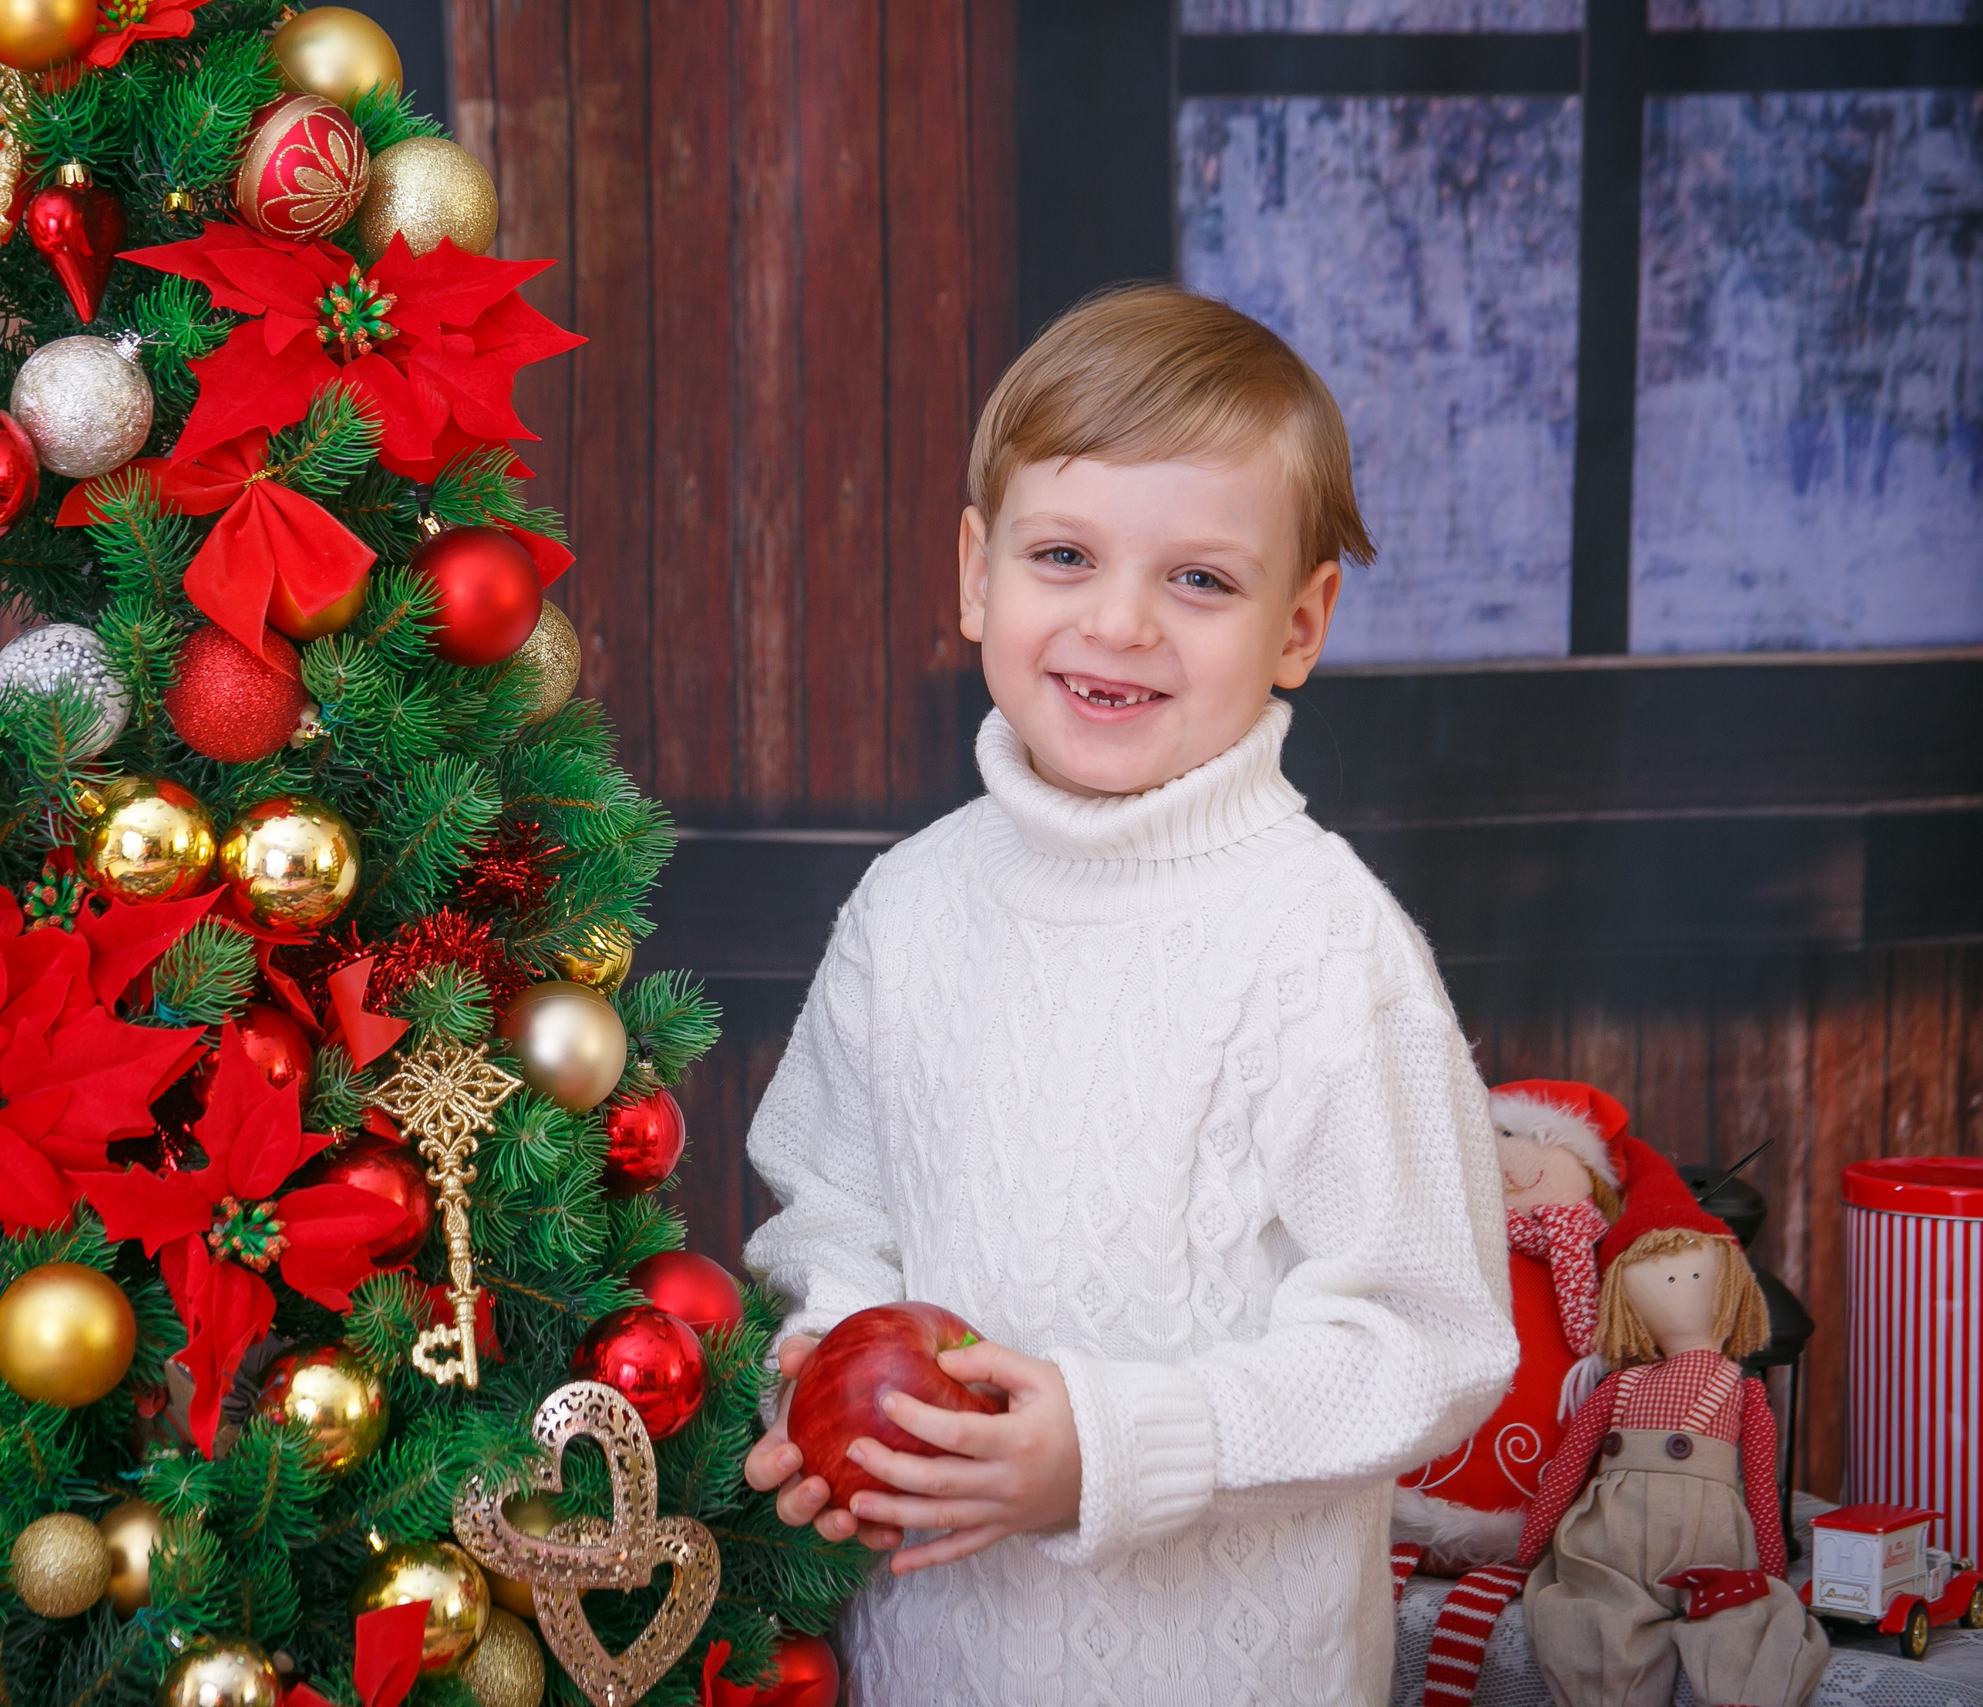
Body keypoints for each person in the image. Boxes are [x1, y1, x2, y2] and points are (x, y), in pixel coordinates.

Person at [740, 285, 1517, 1704]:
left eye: (1200, 580)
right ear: (978, 572)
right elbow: (834, 1211)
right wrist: (817, 1353)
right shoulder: (907, 910)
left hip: (1234, 1664)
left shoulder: (1325, 945)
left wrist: (1117, 1442)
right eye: (1064, 553)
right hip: (938, 1658)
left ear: (1300, 622)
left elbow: (1427, 1339)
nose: (1120, 620)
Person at [1516, 1195, 1827, 1707]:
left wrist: (1530, 1547)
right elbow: (1763, 1493)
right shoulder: (1628, 1384)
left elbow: (1567, 1472)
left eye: (1693, 1277)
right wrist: (1772, 1573)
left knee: (1595, 1611)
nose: (1679, 1286)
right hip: (1670, 1544)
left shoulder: (1731, 1388)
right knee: (1714, 1609)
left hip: (1622, 1542)